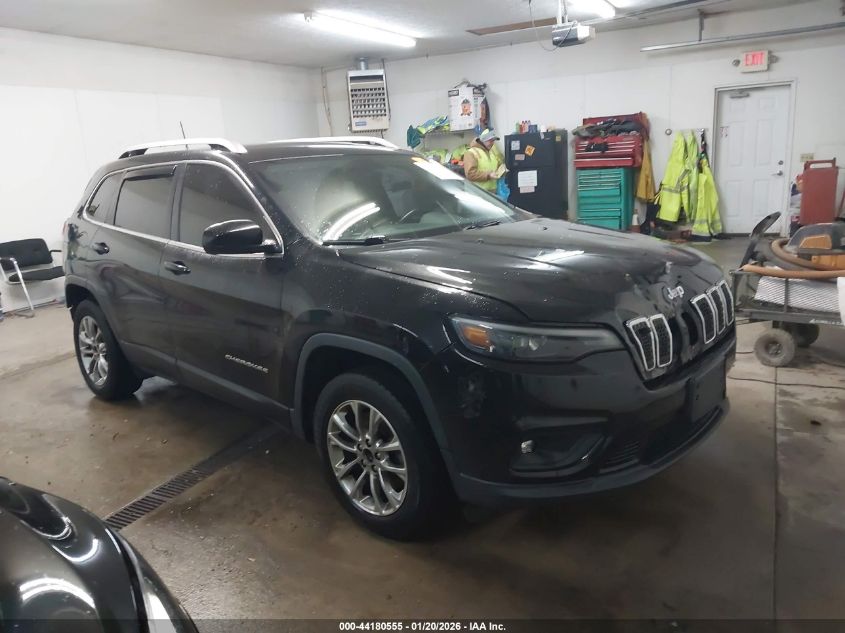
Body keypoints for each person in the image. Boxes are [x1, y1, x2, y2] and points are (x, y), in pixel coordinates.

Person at [463, 129, 504, 193]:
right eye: (490, 141)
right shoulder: (471, 153)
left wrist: (502, 171)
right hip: (478, 193)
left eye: (493, 141)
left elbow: (496, 166)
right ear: (483, 140)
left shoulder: (491, 152)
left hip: (493, 192)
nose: (492, 143)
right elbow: (470, 174)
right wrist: (488, 175)